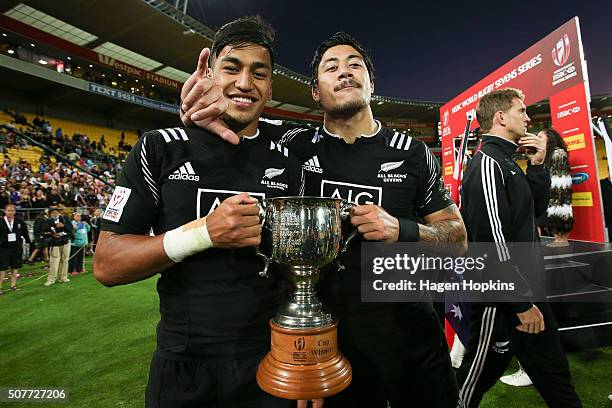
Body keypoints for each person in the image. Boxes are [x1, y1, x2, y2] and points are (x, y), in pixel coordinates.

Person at [181, 32, 466, 408]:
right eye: (331, 68)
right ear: (315, 91)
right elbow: (229, 122)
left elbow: (457, 239)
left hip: (411, 334)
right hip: (331, 342)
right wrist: (194, 108)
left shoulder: (413, 154)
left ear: (371, 83)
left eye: (354, 65)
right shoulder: (292, 146)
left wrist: (402, 229)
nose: (344, 73)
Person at [94, 17, 315, 408]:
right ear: (207, 72)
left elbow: (298, 273)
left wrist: (305, 360)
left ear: (269, 86)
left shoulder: (290, 163)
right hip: (183, 368)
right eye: (231, 68)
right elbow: (108, 264)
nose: (245, 84)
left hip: (268, 363)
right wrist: (202, 233)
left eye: (258, 73)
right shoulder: (160, 148)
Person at [457, 88, 582, 407]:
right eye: (522, 110)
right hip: (502, 297)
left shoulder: (508, 162)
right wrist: (520, 303)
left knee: (554, 373)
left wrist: (538, 165)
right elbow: (490, 243)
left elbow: (535, 213)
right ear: (500, 117)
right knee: (474, 379)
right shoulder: (487, 163)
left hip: (525, 290)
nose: (528, 117)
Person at [0, 204, 30, 294]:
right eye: (8, 210)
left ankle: (13, 285)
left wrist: (28, 242)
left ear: (15, 211)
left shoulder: (19, 221)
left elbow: (25, 232)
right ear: (5, 211)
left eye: (12, 211)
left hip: (16, 248)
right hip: (3, 248)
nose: (10, 212)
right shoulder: (1, 221)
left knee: (15, 267)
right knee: (2, 269)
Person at [44, 207, 73, 286]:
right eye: (52, 213)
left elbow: (70, 228)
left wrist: (63, 225)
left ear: (59, 213)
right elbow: (45, 231)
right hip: (54, 243)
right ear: (50, 214)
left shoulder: (65, 218)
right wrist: (52, 234)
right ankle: (51, 279)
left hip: (65, 241)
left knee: (65, 260)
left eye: (56, 212)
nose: (55, 214)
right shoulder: (48, 221)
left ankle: (63, 277)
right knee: (54, 261)